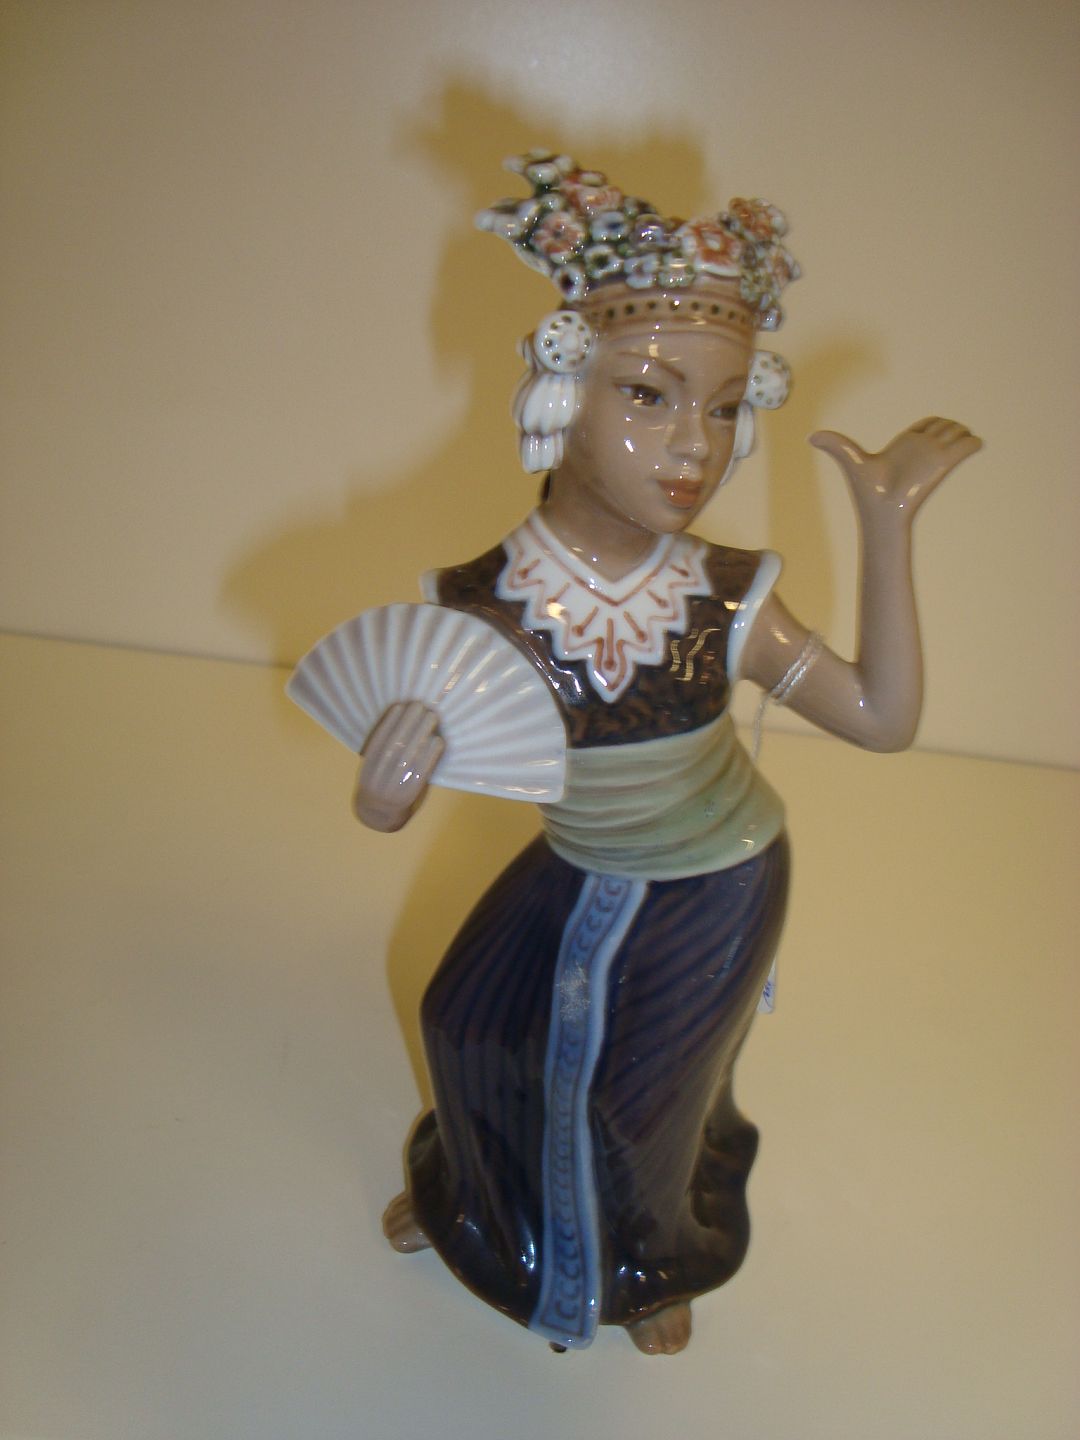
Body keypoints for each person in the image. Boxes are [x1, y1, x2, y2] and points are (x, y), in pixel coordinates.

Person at [352, 153, 981, 1354]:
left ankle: (652, 1259)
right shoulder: (482, 603)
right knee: (464, 1023)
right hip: (581, 861)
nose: (695, 445)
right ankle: (478, 1209)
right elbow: (397, 790)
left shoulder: (722, 596)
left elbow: (879, 718)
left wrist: (886, 525)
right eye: (648, 394)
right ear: (563, 391)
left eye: (727, 406)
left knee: (637, 1106)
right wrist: (386, 791)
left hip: (718, 874)